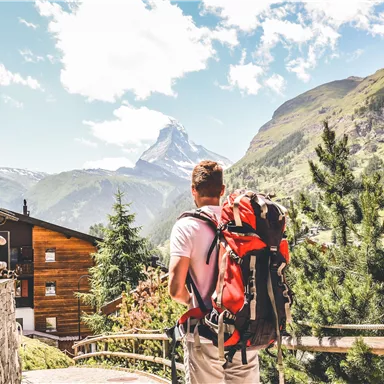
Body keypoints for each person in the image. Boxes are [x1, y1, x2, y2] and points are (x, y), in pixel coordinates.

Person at [168, 160, 260, 384]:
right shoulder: (243, 223)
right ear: (222, 190)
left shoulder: (186, 226)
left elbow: (175, 289)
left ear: (193, 190)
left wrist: (192, 301)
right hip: (243, 328)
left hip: (205, 332)